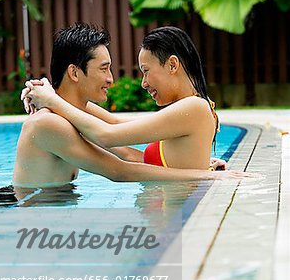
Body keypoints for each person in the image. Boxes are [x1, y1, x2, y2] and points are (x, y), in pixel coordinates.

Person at [17, 23, 251, 190]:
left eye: (146, 71)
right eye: (103, 68)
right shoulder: (48, 122)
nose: (111, 79)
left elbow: (118, 143)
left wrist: (196, 169)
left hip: (51, 210)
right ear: (74, 72)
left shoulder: (63, 113)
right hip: (30, 214)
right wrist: (201, 174)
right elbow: (118, 163)